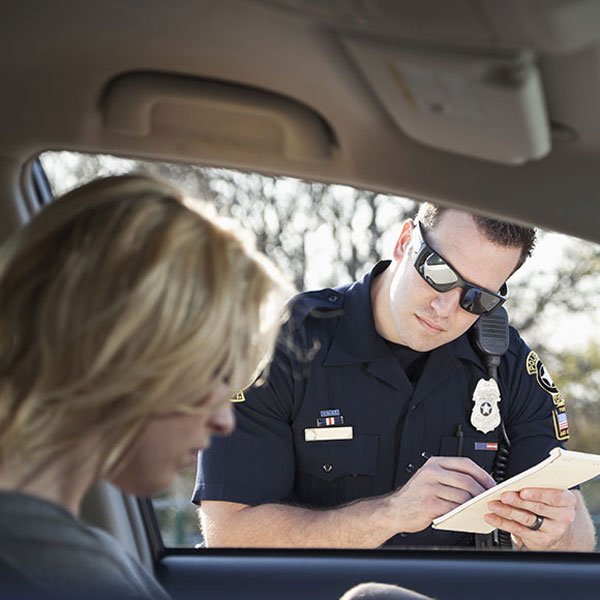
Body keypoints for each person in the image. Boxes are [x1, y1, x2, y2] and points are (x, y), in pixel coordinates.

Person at [196, 203, 597, 551]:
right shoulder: (278, 346)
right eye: (439, 272)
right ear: (405, 241)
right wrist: (389, 514)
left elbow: (576, 536)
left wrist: (556, 531)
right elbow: (229, 532)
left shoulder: (507, 363)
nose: (445, 307)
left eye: (477, 298)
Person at [0, 174, 288, 598]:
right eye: (215, 373)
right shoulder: (64, 576)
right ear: (131, 353)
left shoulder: (61, 555)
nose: (225, 420)